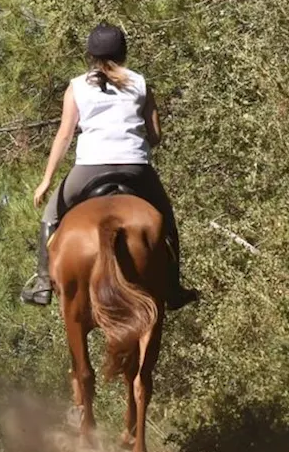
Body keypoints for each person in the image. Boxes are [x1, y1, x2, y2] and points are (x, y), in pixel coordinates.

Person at [19, 23, 200, 310]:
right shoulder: (140, 83)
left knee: (50, 214)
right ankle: (174, 289)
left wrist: (46, 180)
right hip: (135, 167)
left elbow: (65, 135)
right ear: (123, 52)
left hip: (90, 166)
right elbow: (155, 136)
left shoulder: (77, 87)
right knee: (166, 218)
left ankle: (42, 285)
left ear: (90, 55)